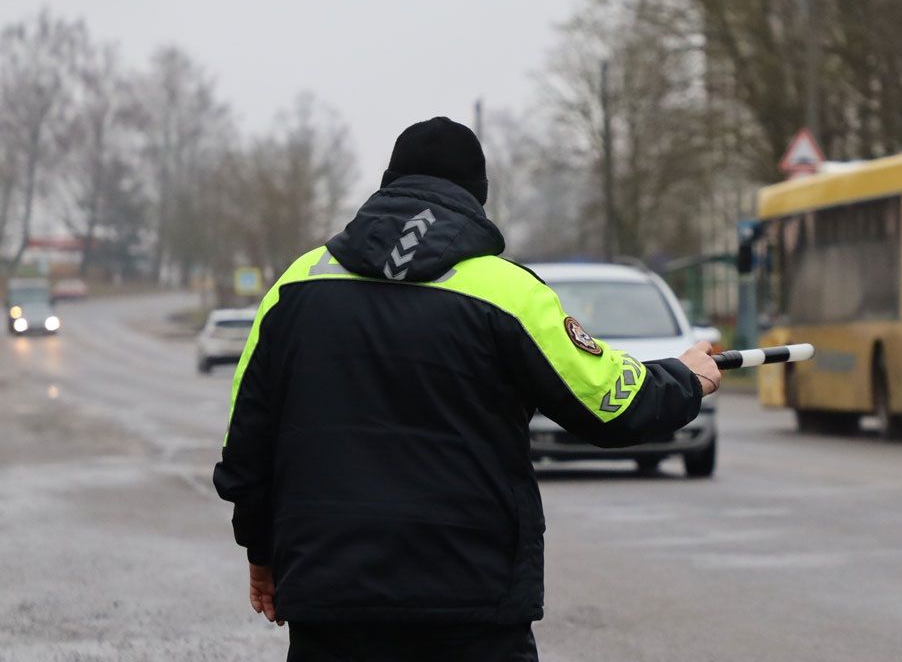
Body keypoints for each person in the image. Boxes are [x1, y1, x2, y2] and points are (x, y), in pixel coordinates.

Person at [212, 117, 722, 661]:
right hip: (471, 598)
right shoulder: (506, 292)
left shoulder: (295, 287)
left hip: (329, 598)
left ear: (385, 186)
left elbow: (247, 449)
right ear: (478, 198)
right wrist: (684, 377)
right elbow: (609, 402)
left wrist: (262, 553)